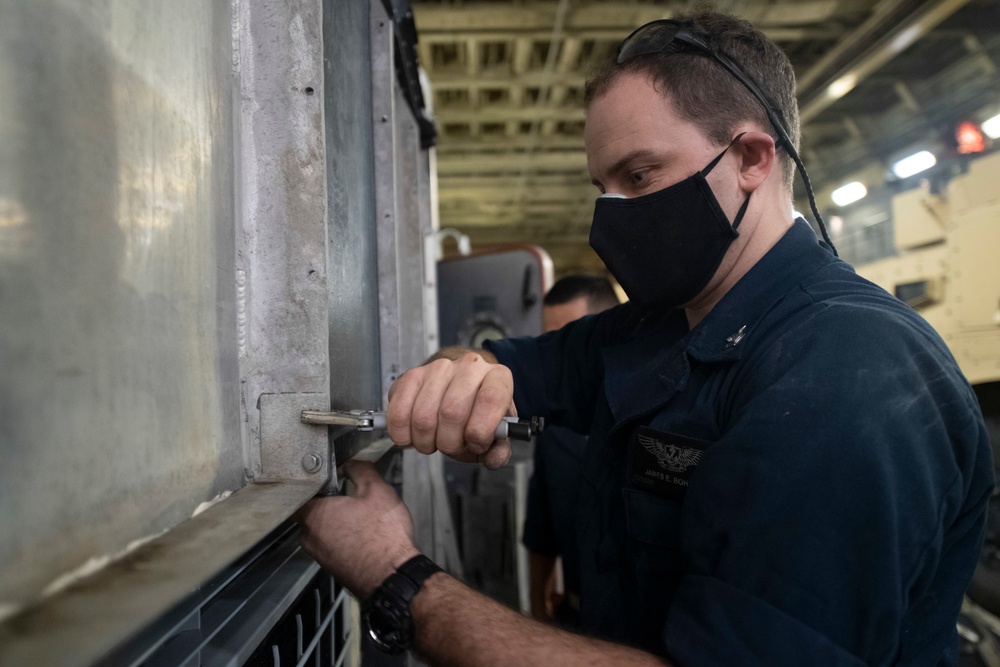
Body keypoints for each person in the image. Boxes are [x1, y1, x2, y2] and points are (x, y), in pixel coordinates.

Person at [297, 11, 993, 665]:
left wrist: (395, 574)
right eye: (603, 186)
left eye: (639, 175)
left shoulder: (848, 372)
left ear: (751, 157)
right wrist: (461, 373)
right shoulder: (653, 327)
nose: (613, 218)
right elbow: (501, 361)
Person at [524, 275, 620, 626]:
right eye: (549, 339)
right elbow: (541, 527)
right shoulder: (554, 430)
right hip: (574, 620)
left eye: (570, 338)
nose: (559, 352)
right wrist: (537, 606)